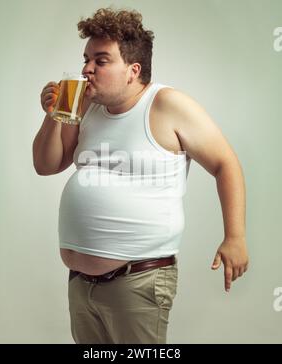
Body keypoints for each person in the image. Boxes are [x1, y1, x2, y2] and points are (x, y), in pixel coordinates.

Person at [32, 7, 249, 344]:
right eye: (86, 59)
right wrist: (52, 116)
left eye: (100, 61)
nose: (87, 69)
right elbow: (47, 164)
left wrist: (234, 236)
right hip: (80, 283)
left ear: (133, 70)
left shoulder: (167, 105)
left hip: (139, 282)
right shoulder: (87, 106)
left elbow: (225, 163)